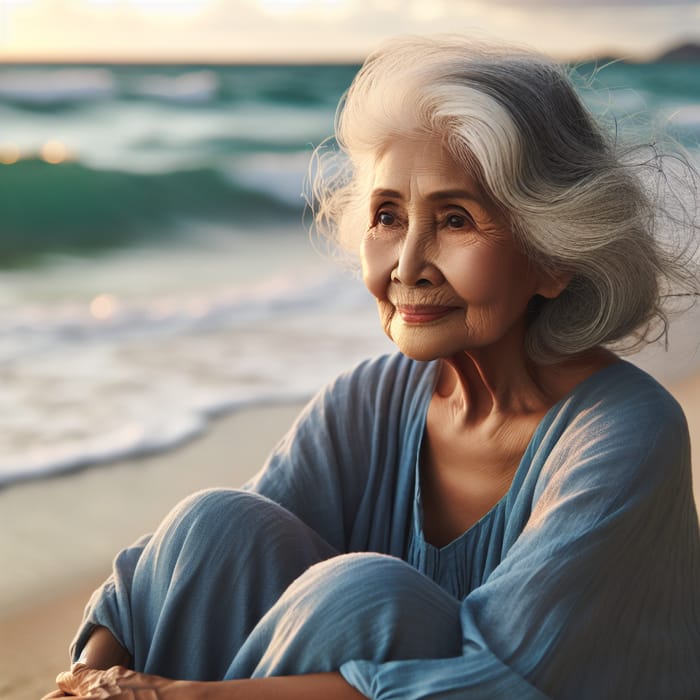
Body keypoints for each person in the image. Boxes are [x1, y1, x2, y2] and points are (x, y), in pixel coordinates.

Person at [45, 35, 700, 700]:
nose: (407, 263)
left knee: (366, 596)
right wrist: (96, 681)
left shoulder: (625, 431)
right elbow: (175, 576)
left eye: (454, 219)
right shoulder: (369, 401)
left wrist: (169, 695)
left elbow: (502, 680)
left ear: (555, 253)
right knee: (213, 525)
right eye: (388, 215)